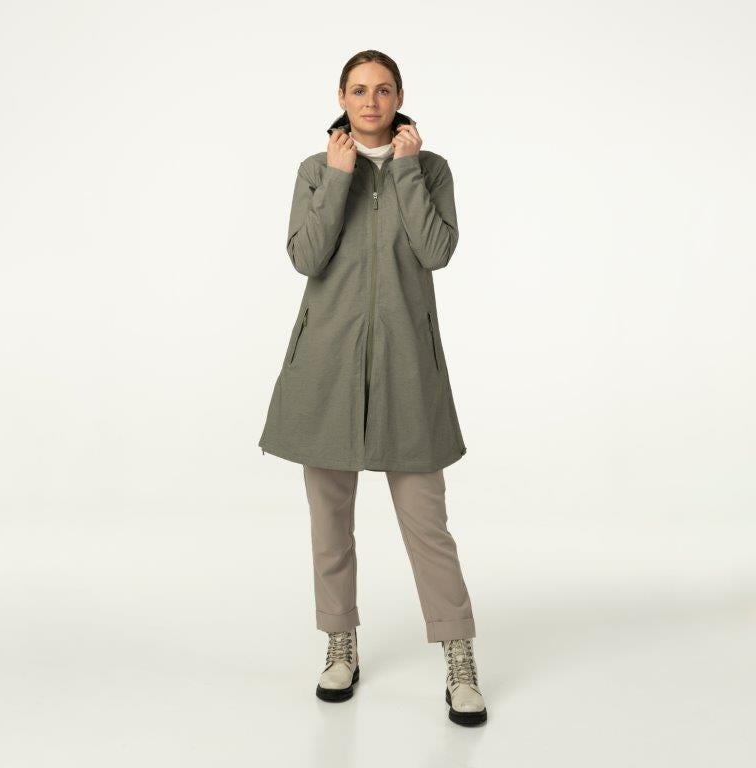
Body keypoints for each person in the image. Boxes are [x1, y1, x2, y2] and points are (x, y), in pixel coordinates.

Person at [258, 50, 486, 726]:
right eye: (358, 90)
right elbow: (306, 256)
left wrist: (407, 170)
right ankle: (340, 643)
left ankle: (459, 656)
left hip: (407, 368)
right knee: (330, 522)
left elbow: (436, 251)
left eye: (383, 90)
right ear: (341, 97)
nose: (370, 101)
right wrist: (337, 178)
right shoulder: (316, 169)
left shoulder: (431, 168)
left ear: (399, 96)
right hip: (325, 368)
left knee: (427, 524)